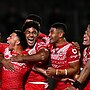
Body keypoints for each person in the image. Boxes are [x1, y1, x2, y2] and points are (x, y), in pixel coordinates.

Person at [11, 21, 49, 90]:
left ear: (37, 35)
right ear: (24, 34)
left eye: (34, 33)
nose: (31, 35)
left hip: (38, 85)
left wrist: (23, 58)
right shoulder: (19, 45)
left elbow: (43, 56)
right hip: (22, 85)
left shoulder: (40, 44)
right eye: (28, 32)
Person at [45, 22, 80, 90]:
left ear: (60, 34)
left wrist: (56, 72)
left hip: (68, 86)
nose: (49, 35)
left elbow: (75, 70)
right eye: (49, 32)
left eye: (52, 32)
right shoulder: (50, 46)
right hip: (56, 85)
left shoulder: (70, 48)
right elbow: (42, 37)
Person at [64, 24, 90, 90]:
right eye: (85, 33)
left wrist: (75, 86)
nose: (84, 36)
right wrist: (78, 53)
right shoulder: (85, 50)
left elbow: (87, 68)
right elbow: (82, 68)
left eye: (87, 32)